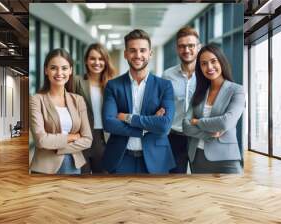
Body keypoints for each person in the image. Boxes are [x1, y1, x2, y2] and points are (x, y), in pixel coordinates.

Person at [102, 29, 176, 174]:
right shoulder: (113, 85)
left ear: (150, 53)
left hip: (156, 158)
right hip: (121, 158)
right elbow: (109, 123)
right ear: (125, 54)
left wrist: (128, 118)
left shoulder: (164, 86)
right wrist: (146, 127)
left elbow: (165, 125)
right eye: (133, 50)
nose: (138, 55)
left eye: (142, 50)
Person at [182, 44, 245, 174]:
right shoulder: (199, 93)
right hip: (197, 157)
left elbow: (225, 122)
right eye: (204, 64)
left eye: (213, 61)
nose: (209, 67)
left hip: (226, 159)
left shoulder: (237, 90)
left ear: (221, 61)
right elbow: (185, 126)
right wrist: (209, 134)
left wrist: (197, 122)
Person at [30, 48, 92, 174]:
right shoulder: (36, 100)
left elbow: (87, 140)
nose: (59, 73)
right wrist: (71, 137)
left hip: (74, 166)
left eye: (64, 68)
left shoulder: (78, 100)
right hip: (45, 168)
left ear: (70, 70)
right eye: (53, 68)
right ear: (46, 70)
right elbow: (41, 140)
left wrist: (58, 149)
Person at [162, 26, 200, 173]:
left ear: (198, 47)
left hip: (200, 137)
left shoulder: (207, 74)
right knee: (174, 181)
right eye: (182, 46)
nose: (186, 50)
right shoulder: (167, 75)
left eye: (191, 45)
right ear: (177, 49)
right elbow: (163, 105)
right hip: (175, 137)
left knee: (202, 181)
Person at [74, 43, 115, 174]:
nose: (97, 62)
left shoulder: (112, 84)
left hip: (104, 139)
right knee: (81, 181)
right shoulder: (76, 81)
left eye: (101, 58)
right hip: (81, 138)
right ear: (86, 60)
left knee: (103, 181)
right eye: (92, 58)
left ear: (106, 61)